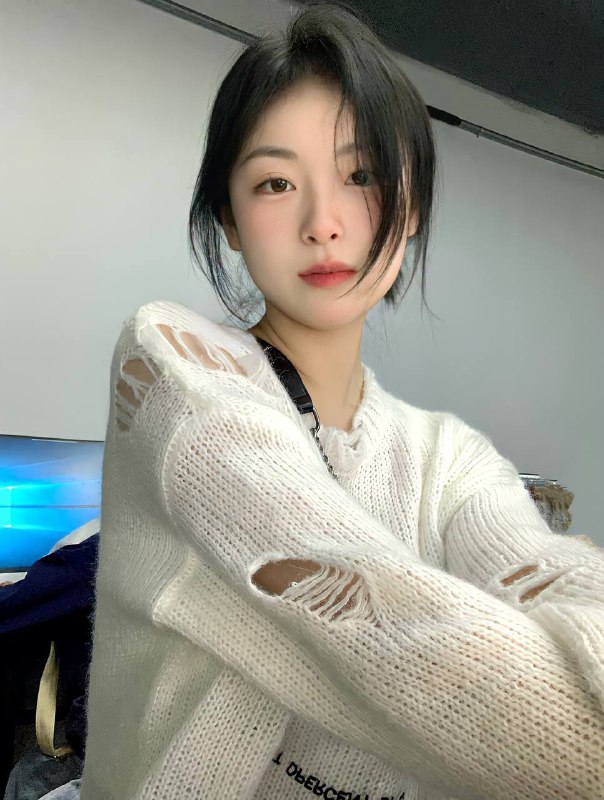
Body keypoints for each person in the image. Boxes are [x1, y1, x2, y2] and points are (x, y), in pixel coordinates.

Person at [79, 3, 604, 799]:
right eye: (276, 183)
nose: (323, 224)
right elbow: (387, 625)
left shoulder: (448, 454)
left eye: (361, 177)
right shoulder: (172, 369)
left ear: (411, 207)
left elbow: (550, 572)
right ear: (229, 217)